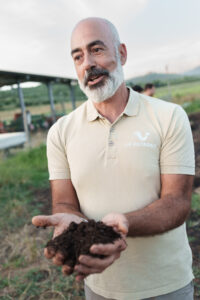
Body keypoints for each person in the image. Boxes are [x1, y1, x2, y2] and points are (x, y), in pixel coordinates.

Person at [32, 17, 195, 300]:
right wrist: (72, 227)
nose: (87, 64)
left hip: (167, 285)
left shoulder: (168, 117)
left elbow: (177, 202)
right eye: (78, 56)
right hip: (99, 286)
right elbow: (65, 202)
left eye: (96, 50)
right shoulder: (61, 132)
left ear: (121, 53)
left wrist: (124, 223)